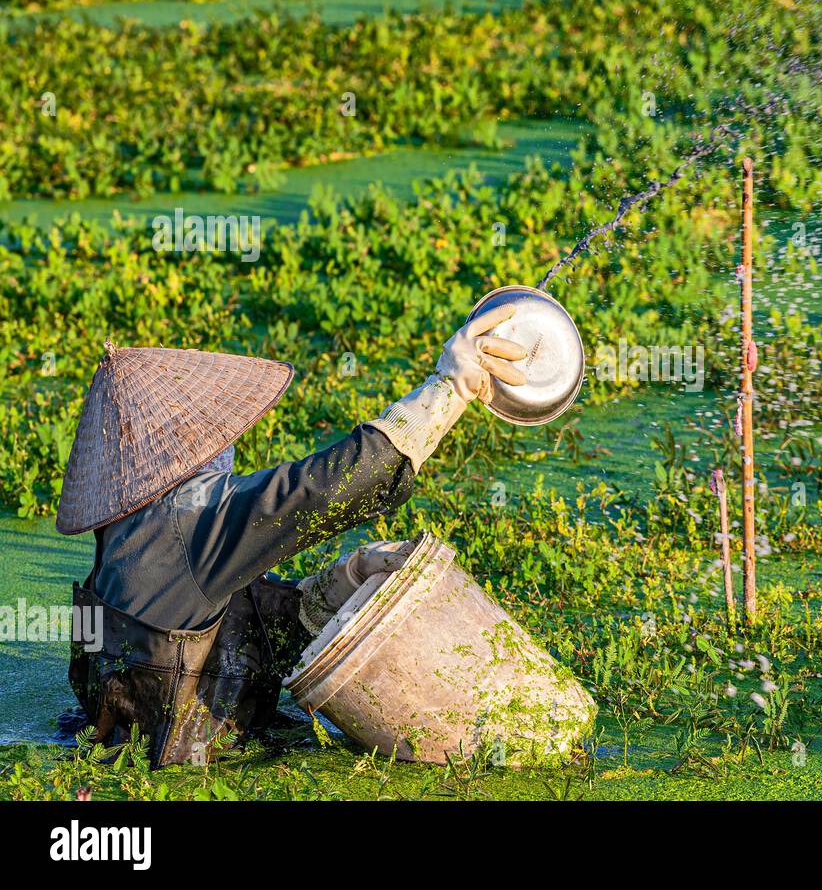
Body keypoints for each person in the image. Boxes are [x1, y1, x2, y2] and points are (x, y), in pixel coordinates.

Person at [55, 305, 527, 768]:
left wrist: (336, 586)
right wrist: (446, 388)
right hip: (185, 768)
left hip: (132, 752)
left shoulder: (127, 526)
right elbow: (322, 489)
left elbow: (215, 627)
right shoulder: (191, 515)